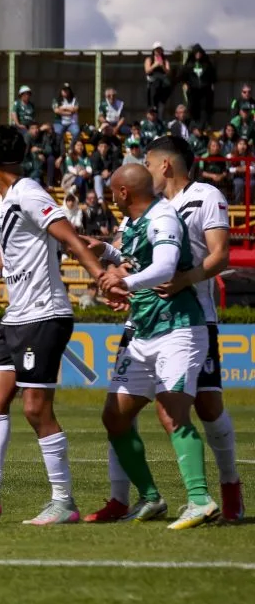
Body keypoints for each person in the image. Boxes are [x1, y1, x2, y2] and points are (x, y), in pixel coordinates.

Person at [0, 125, 105, 526]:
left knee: (35, 408)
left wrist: (101, 275)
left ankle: (63, 501)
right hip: (17, 316)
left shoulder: (29, 192)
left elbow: (69, 238)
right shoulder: (8, 198)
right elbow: (11, 243)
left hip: (44, 314)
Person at [86, 137, 243, 523]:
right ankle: (123, 498)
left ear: (165, 166)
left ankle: (229, 489)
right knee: (120, 410)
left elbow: (220, 255)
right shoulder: (143, 207)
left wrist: (182, 280)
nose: (143, 170)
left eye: (148, 162)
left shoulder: (204, 196)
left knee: (205, 407)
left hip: (191, 317)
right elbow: (128, 255)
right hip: (142, 320)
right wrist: (111, 265)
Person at [182, 44, 216, 130]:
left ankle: (203, 126)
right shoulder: (189, 64)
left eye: (200, 52)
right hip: (193, 90)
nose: (198, 54)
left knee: (204, 108)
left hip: (204, 90)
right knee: (192, 107)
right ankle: (193, 126)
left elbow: (213, 76)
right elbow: (183, 76)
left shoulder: (207, 64)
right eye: (196, 52)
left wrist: (210, 85)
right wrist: (186, 84)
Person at [145, 42, 173, 119]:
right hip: (152, 85)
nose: (158, 51)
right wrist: (154, 65)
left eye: (160, 49)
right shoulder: (149, 59)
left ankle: (160, 120)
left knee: (161, 105)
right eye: (157, 50)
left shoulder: (165, 60)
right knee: (152, 105)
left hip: (162, 86)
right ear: (153, 50)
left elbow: (168, 72)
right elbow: (147, 71)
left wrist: (162, 66)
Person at [52, 82, 80, 147]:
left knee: (76, 132)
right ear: (61, 91)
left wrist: (63, 108)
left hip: (72, 123)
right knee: (57, 133)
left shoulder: (74, 99)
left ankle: (71, 147)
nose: (66, 92)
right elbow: (56, 111)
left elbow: (75, 109)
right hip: (59, 122)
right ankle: (60, 149)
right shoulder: (56, 99)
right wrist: (69, 113)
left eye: (67, 90)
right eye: (64, 90)